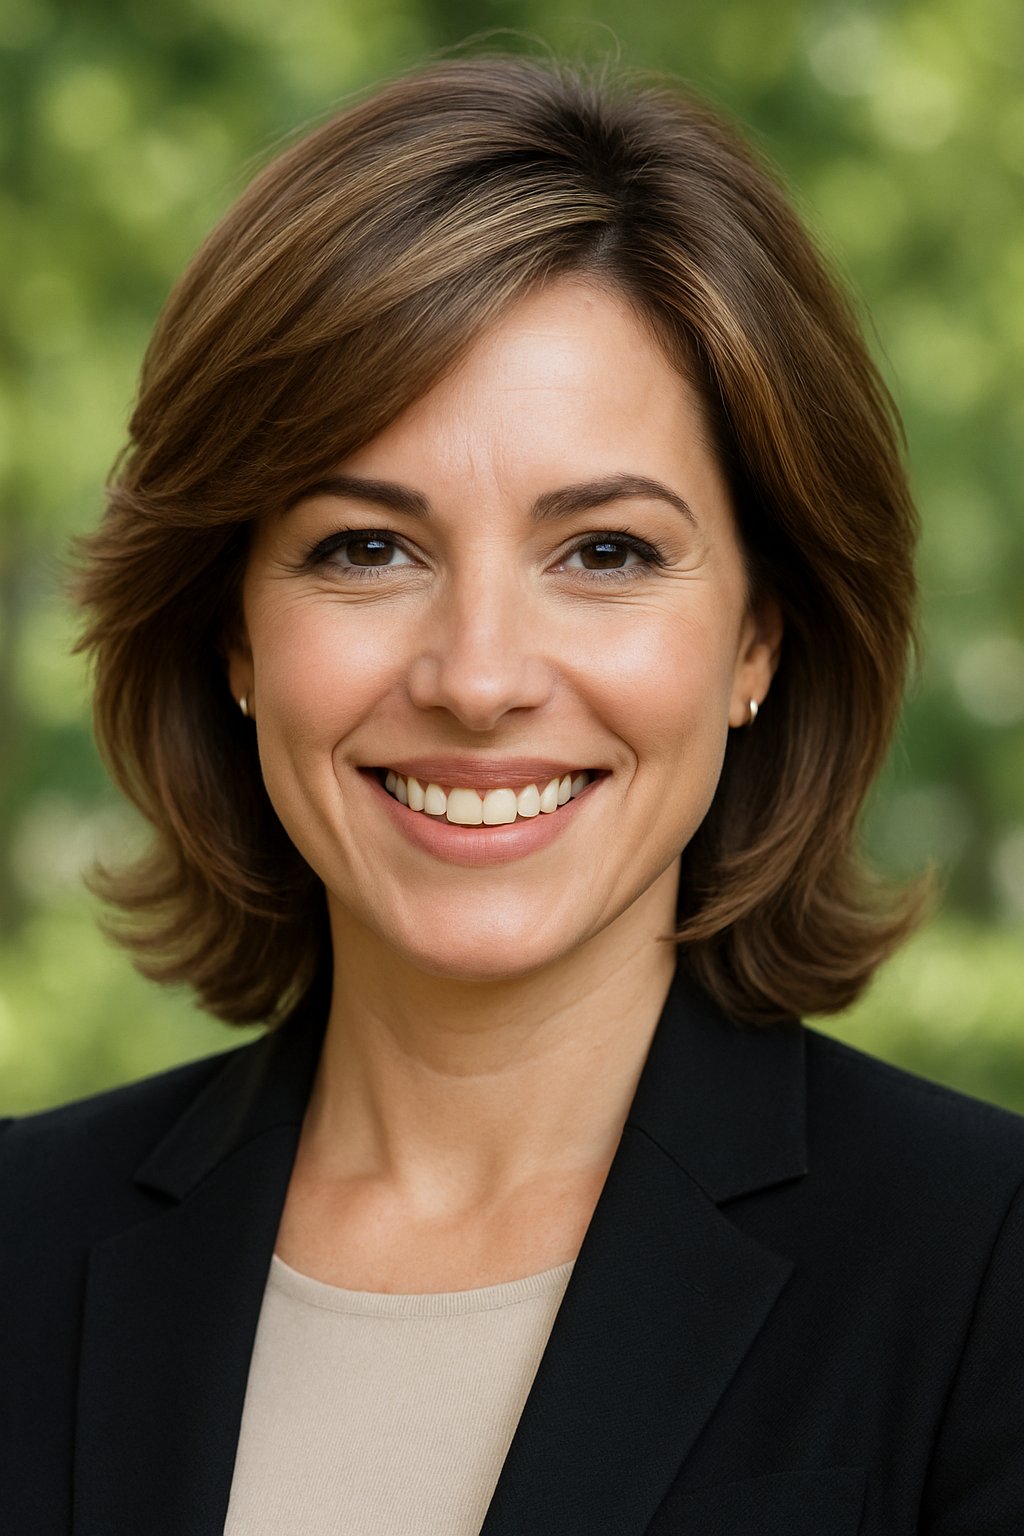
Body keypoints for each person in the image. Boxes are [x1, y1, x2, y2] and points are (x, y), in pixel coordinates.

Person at [1, 52, 1022, 1536]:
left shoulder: (985, 1270)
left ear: (757, 636)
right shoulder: (19, 1247)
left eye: (605, 552)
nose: (478, 678)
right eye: (366, 548)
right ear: (233, 632)